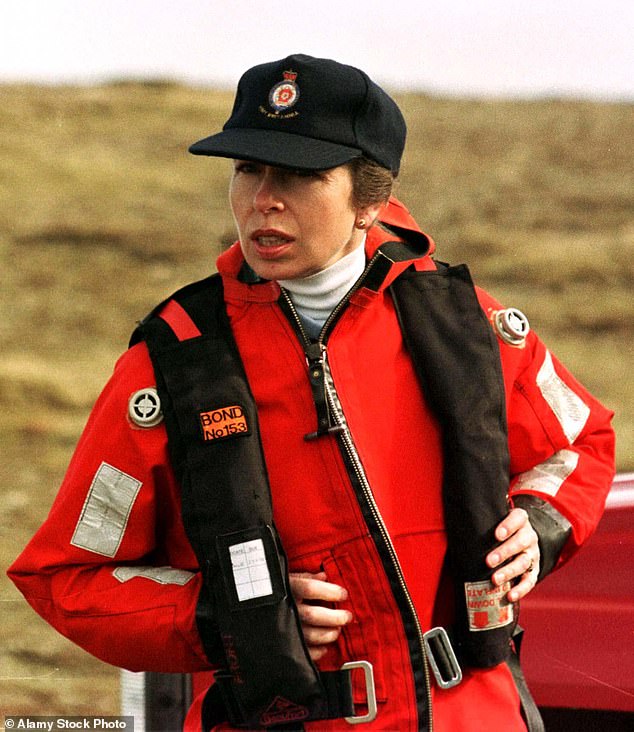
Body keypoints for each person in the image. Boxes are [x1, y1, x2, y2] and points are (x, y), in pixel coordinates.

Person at [9, 54, 615, 731]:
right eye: (247, 169)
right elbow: (65, 577)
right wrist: (228, 617)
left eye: (299, 176)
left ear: (371, 199)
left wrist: (540, 524)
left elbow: (581, 443)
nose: (263, 199)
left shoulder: (470, 324)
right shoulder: (170, 366)